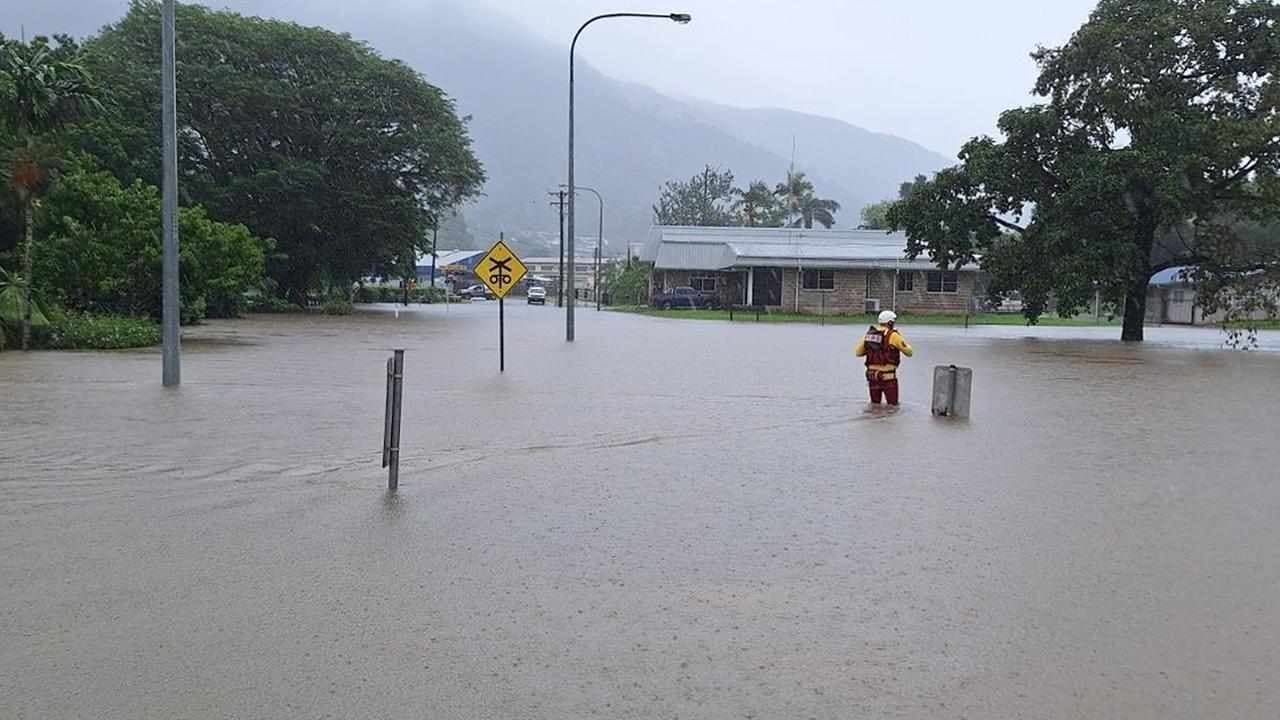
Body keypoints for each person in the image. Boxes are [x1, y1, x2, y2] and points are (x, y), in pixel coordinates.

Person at [855, 310, 914, 405]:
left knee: (874, 406)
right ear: (890, 322)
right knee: (893, 407)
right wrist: (905, 345)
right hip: (888, 378)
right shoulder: (893, 336)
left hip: (872, 378)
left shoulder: (869, 335)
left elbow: (858, 352)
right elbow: (909, 352)